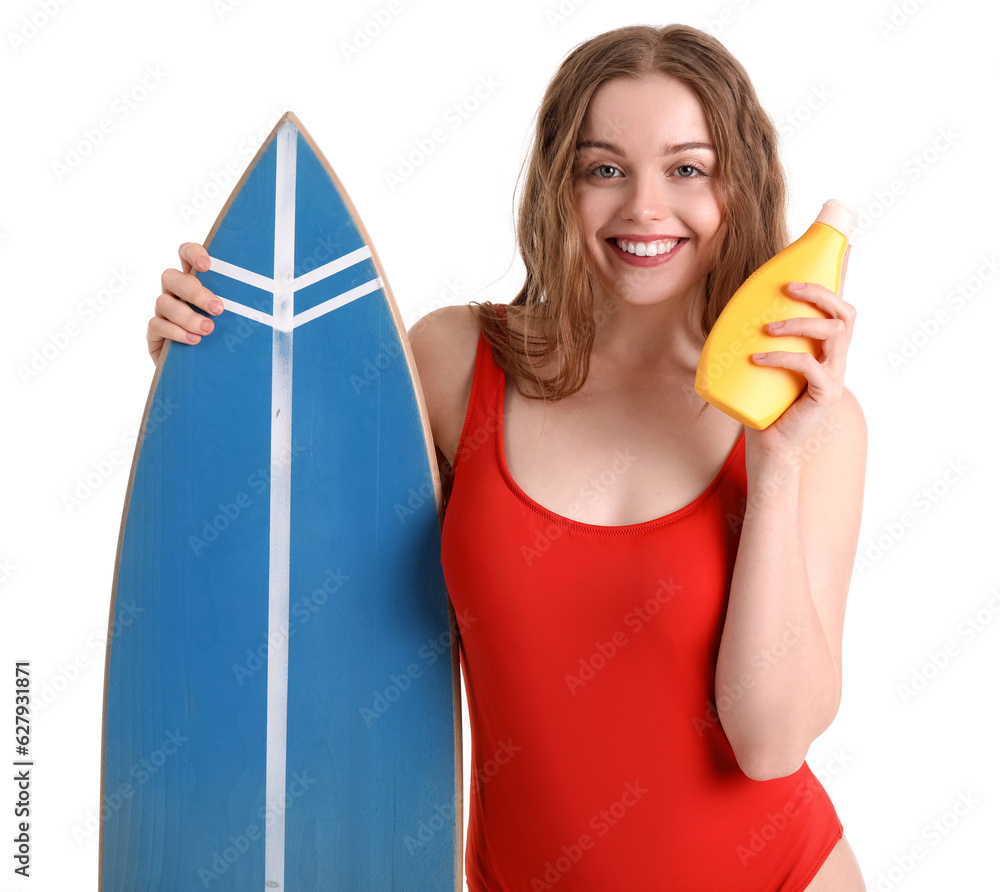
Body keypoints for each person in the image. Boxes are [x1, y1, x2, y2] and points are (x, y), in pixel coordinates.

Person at [147, 23, 867, 892]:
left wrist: (778, 462)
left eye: (687, 168)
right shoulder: (459, 364)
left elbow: (771, 743)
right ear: (560, 186)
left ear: (738, 187)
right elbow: (289, 525)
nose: (643, 206)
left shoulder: (807, 420)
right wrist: (208, 367)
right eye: (605, 168)